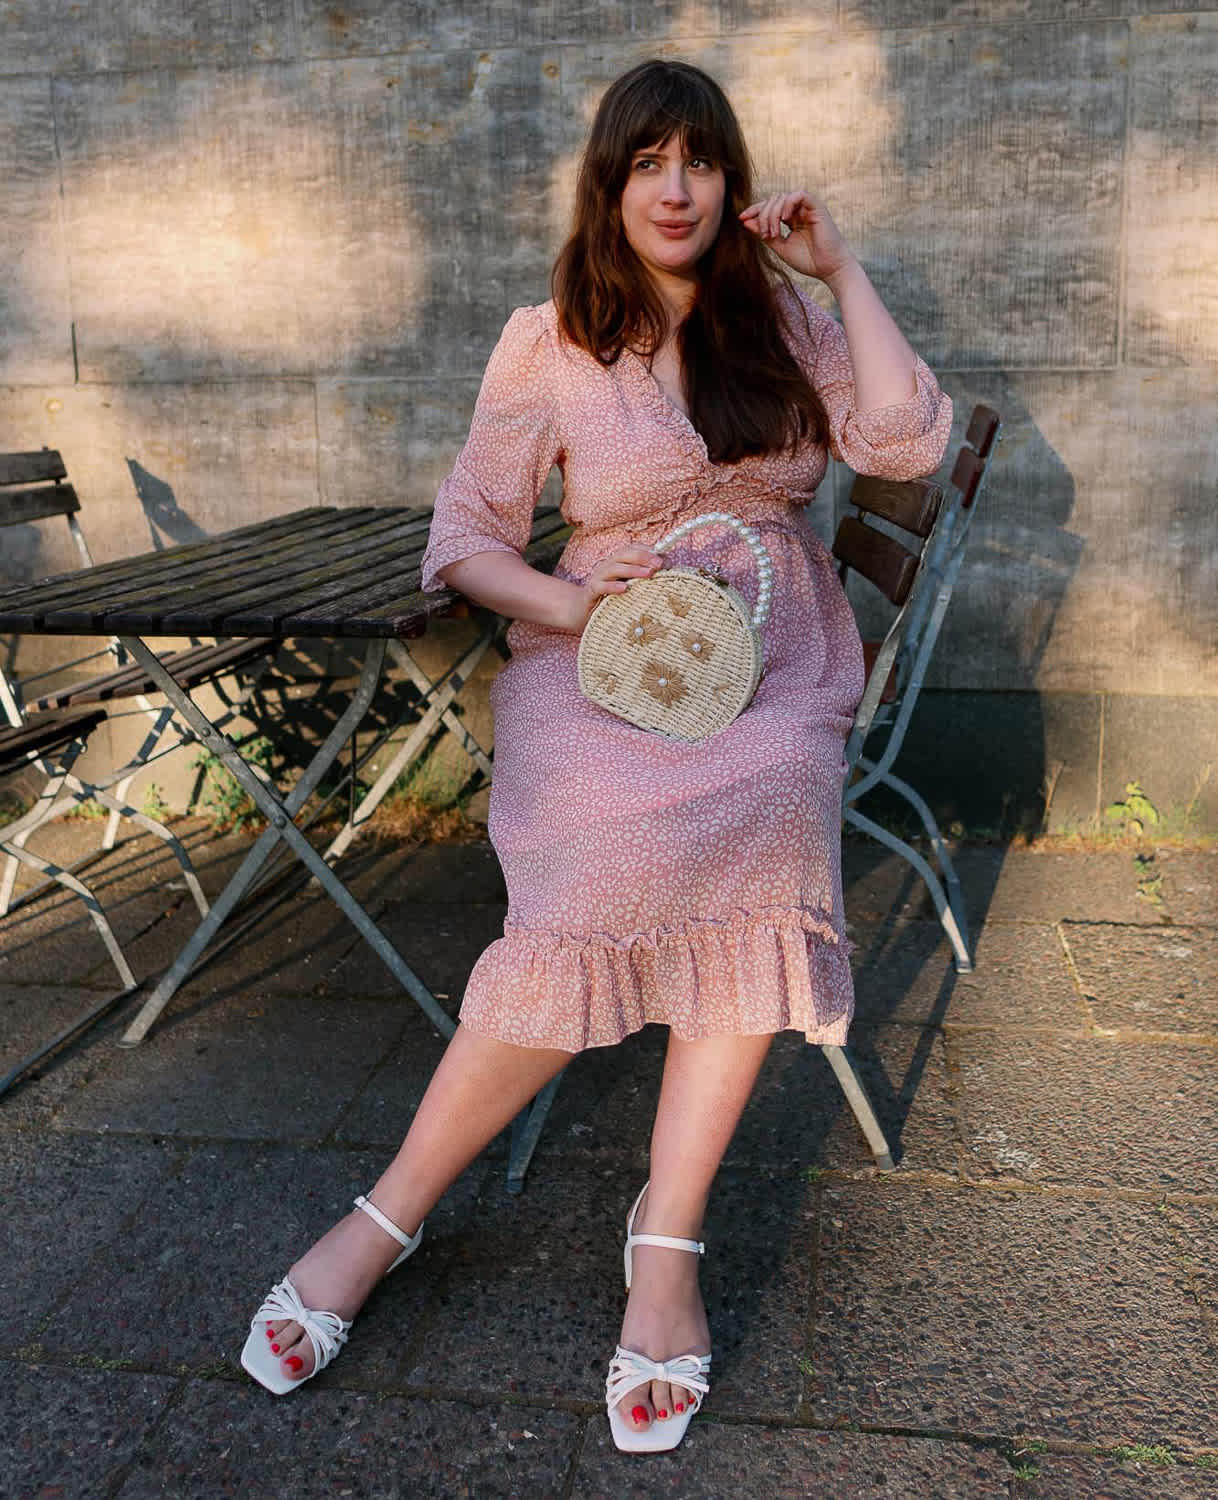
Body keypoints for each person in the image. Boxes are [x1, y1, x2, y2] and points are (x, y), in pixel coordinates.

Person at [240, 58, 951, 1454]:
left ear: (732, 185)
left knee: (767, 805)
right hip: (600, 660)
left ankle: (666, 1240)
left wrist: (838, 268)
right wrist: (586, 612)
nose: (674, 188)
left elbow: (901, 436)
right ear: (609, 186)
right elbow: (466, 539)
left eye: (699, 161)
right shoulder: (547, 338)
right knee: (601, 865)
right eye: (646, 164)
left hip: (775, 654)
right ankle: (386, 1217)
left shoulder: (781, 325)